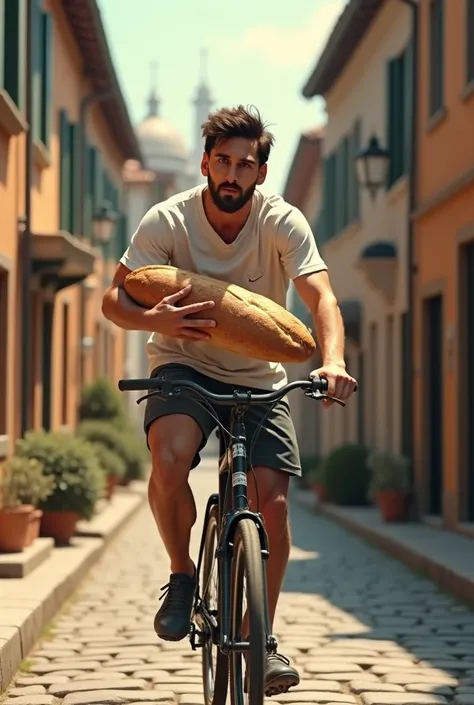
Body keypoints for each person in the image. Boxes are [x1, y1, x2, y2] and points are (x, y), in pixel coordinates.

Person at [102, 104, 357, 696]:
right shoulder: (167, 219)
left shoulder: (281, 221)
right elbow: (114, 300)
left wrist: (334, 360)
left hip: (260, 376)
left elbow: (322, 300)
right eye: (223, 161)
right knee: (169, 459)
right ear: (206, 164)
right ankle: (182, 572)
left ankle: (259, 638)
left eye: (246, 164)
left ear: (261, 173)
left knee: (274, 504)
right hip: (182, 363)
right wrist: (150, 319)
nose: (233, 174)